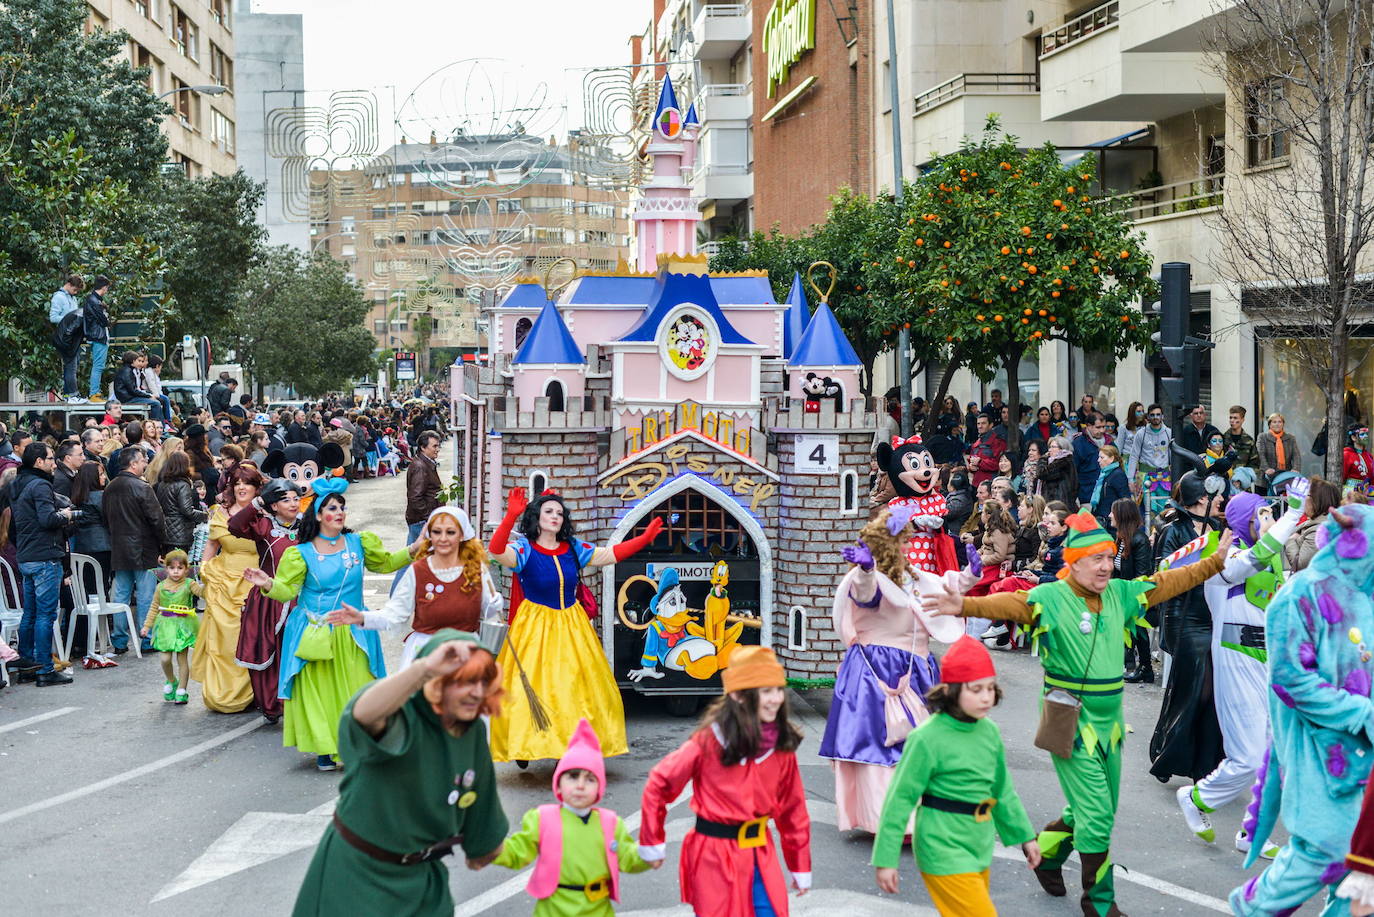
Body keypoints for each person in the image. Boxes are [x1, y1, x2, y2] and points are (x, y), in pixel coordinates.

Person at [923, 509, 1232, 917]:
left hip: (1111, 724)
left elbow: (1166, 582)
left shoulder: (1120, 594)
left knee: (1094, 806)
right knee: (1098, 812)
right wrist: (963, 604)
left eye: (1109, 558)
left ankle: (1048, 854)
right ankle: (1099, 902)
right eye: (1096, 559)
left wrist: (1214, 561)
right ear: (1073, 561)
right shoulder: (1050, 597)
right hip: (1069, 718)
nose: (1106, 567)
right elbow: (1011, 604)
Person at [289, 630, 508, 917]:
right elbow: (362, 715)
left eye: (482, 682)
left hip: (423, 880)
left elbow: (481, 799)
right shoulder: (402, 717)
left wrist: (486, 845)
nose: (477, 692)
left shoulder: (472, 730)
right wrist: (425, 668)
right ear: (437, 683)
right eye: (465, 682)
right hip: (357, 877)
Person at [1231, 504, 1374, 916]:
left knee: (1360, 868)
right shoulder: (1300, 595)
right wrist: (1361, 714)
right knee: (1324, 852)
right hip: (1317, 752)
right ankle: (1251, 909)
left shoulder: (1365, 597)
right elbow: (1291, 680)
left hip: (1363, 760)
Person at [243, 478, 419, 770]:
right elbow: (287, 591)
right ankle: (326, 748)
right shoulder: (300, 554)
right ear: (318, 515)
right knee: (321, 693)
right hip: (316, 634)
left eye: (342, 507)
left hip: (353, 634)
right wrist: (268, 583)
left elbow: (385, 564)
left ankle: (359, 744)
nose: (339, 512)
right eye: (332, 508)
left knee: (358, 690)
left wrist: (413, 549)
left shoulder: (359, 543)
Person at [1175, 481, 1308, 862]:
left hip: (1269, 664)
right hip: (1236, 660)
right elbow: (1254, 559)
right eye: (1263, 515)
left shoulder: (1271, 559)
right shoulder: (1222, 559)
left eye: (1271, 514)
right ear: (1245, 521)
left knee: (1274, 757)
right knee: (1248, 757)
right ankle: (1197, 796)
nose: (1270, 520)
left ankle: (1253, 832)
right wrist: (1295, 513)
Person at [486, 488, 662, 763]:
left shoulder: (573, 549)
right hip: (534, 627)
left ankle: (566, 744)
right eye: (549, 511)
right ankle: (526, 741)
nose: (555, 516)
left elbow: (609, 554)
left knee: (573, 686)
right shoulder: (524, 549)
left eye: (559, 512)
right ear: (536, 516)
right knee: (531, 685)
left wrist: (643, 539)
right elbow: (496, 551)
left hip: (572, 624)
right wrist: (510, 517)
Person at [822, 507, 967, 833]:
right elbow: (867, 596)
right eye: (900, 542)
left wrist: (974, 570)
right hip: (877, 671)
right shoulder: (867, 577)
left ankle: (916, 814)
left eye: (906, 541)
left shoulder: (914, 575)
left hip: (918, 670)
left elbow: (947, 586)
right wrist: (865, 569)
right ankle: (889, 818)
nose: (906, 547)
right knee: (881, 745)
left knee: (920, 745)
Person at [871, 636, 1039, 916]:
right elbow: (900, 799)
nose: (986, 697)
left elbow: (1002, 790)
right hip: (941, 846)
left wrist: (1026, 837)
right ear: (951, 691)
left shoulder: (990, 732)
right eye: (976, 689)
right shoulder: (927, 738)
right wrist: (886, 858)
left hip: (978, 842)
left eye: (990, 688)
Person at [638, 647, 812, 915]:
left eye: (778, 689)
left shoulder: (781, 745)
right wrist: (653, 839)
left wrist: (799, 864)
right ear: (739, 695)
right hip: (714, 857)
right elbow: (660, 782)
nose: (776, 699)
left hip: (760, 854)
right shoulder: (708, 741)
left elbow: (793, 808)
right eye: (766, 691)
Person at [489, 718, 655, 915]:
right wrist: (488, 847)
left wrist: (648, 855)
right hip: (554, 908)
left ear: (599, 788)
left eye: (590, 779)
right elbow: (517, 852)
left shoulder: (611, 823)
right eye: (573, 776)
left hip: (598, 908)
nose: (581, 785)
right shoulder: (542, 819)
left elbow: (627, 858)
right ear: (558, 784)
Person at [1147, 468, 1229, 786]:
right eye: (1214, 496)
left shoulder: (1220, 529)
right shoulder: (1175, 531)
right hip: (1183, 618)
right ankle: (1168, 754)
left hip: (1212, 616)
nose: (1220, 500)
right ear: (1200, 500)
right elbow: (1163, 574)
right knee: (1188, 690)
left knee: (1209, 693)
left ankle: (1204, 764)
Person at [350, 506, 502, 669]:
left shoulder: (475, 570)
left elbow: (491, 612)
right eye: (437, 532)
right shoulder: (418, 571)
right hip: (426, 655)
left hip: (465, 656)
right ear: (429, 535)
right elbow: (395, 614)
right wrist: (362, 618)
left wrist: (495, 603)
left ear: (462, 535)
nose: (443, 538)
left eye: (450, 532)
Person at [227, 477, 303, 724]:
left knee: (299, 651)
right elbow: (235, 526)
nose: (293, 503)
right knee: (271, 653)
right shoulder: (264, 527)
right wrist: (256, 502)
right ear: (273, 506)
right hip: (269, 599)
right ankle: (273, 704)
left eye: (296, 498)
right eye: (285, 499)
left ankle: (297, 701)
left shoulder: (308, 526)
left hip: (301, 599)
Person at [190, 462, 264, 713]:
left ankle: (254, 692)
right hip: (223, 581)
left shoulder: (264, 514)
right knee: (223, 642)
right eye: (238, 483)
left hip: (255, 580)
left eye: (247, 483)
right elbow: (211, 547)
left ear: (256, 488)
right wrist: (205, 569)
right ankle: (220, 693)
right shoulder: (220, 512)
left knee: (251, 639)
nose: (242, 487)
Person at [8, 443, 76, 685]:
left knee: (31, 613)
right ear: (38, 462)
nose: (53, 463)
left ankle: (28, 665)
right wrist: (66, 515)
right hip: (44, 556)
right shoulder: (40, 485)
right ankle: (45, 669)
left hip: (26, 555)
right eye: (49, 459)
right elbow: (48, 519)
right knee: (46, 616)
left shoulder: (17, 484)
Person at [102, 447, 165, 655]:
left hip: (119, 547)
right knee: (146, 595)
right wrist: (162, 545)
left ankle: (119, 641)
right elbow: (157, 520)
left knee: (120, 595)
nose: (145, 464)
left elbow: (105, 519)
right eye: (142, 461)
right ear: (133, 464)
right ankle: (146, 640)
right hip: (143, 547)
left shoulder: (110, 488)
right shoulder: (141, 487)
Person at [138, 549, 203, 705]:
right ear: (166, 568)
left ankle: (182, 690)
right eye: (172, 568)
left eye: (180, 568)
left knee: (182, 660)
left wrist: (207, 583)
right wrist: (147, 626)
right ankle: (172, 680)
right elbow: (154, 606)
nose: (176, 572)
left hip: (183, 626)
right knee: (165, 658)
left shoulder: (189, 584)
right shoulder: (161, 586)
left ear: (186, 569)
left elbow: (203, 593)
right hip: (166, 626)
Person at [1111, 499, 1155, 684]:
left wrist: (1129, 596)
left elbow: (1142, 574)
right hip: (1123, 592)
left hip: (1136, 594)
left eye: (1113, 512)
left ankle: (1146, 668)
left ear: (1121, 516)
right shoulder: (1122, 539)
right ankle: (1130, 663)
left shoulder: (1139, 540)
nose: (1109, 516)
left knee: (1138, 626)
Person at [399, 431, 443, 588]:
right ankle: (397, 596)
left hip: (421, 520)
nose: (437, 449)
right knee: (411, 560)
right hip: (421, 521)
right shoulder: (420, 466)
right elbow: (415, 497)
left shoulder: (425, 463)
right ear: (423, 448)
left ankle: (398, 596)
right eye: (434, 446)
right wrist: (428, 518)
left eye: (438, 446)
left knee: (410, 559)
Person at [1126, 404, 1173, 520]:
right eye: (1152, 415)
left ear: (1163, 416)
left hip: (1165, 478)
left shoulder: (1169, 432)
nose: (1155, 417)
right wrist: (1130, 479)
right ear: (1148, 417)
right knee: (1149, 511)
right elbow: (1133, 456)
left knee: (1165, 510)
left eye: (1158, 414)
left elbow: (1173, 456)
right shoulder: (1141, 433)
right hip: (1146, 477)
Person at [1284, 477, 1341, 572]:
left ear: (1317, 500)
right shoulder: (1317, 522)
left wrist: (1290, 540)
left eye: (1305, 495)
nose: (1302, 498)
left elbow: (1300, 566)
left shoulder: (1319, 530)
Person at [155, 451, 206, 553]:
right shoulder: (183, 485)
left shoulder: (162, 484)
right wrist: (204, 516)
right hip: (180, 534)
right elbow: (187, 510)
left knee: (169, 566)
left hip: (165, 531)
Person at [50, 273, 85, 401]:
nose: (75, 293)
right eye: (75, 289)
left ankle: (67, 395)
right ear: (69, 284)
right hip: (64, 337)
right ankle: (73, 395)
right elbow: (53, 317)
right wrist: (69, 320)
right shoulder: (59, 297)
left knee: (72, 366)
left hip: (73, 337)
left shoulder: (72, 298)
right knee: (71, 367)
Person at [112, 351, 164, 421]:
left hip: (128, 397)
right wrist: (148, 396)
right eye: (138, 360)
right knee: (156, 403)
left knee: (157, 402)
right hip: (128, 399)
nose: (140, 363)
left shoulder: (127, 370)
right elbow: (133, 390)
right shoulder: (127, 372)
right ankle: (156, 423)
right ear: (133, 361)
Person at [82, 276, 110, 402]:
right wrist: (105, 316)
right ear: (104, 287)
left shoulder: (93, 299)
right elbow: (103, 320)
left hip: (97, 336)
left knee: (98, 365)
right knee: (98, 366)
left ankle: (95, 393)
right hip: (98, 336)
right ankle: (94, 393)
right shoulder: (94, 301)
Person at [1257, 412, 1300, 494]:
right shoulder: (1262, 437)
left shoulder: (1290, 438)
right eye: (1274, 422)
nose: (1277, 424)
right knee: (1265, 504)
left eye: (1280, 422)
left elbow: (1296, 455)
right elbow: (1260, 454)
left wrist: (1296, 469)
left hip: (1285, 477)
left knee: (1284, 504)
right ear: (1270, 424)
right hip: (1266, 478)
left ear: (1283, 424)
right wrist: (1266, 469)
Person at [1089, 445, 1130, 529]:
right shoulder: (1104, 474)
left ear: (1111, 459)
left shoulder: (1118, 475)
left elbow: (1125, 499)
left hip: (1110, 522)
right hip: (1102, 520)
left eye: (1102, 457)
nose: (1098, 460)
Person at [1073, 413, 1106, 506]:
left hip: (1106, 496)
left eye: (1104, 427)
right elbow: (1073, 472)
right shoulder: (1078, 444)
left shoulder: (1109, 441)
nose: (1102, 430)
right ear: (1089, 426)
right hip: (1086, 496)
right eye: (1098, 427)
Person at [966, 413, 1005, 487]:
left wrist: (980, 462)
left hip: (991, 485)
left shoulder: (998, 442)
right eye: (978, 424)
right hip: (976, 485)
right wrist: (970, 467)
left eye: (983, 423)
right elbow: (971, 461)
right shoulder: (976, 443)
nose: (980, 426)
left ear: (991, 425)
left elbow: (999, 464)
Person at [1040, 436, 1078, 508]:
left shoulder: (1063, 461)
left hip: (1059, 504)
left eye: (1053, 447)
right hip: (1057, 503)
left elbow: (1042, 473)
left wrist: (1043, 458)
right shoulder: (1057, 461)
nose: (1049, 450)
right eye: (1049, 447)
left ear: (1062, 448)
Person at [142, 353, 173, 428]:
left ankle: (166, 421)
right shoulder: (149, 372)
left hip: (153, 393)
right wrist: (157, 395)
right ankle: (167, 420)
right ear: (157, 366)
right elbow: (152, 385)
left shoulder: (153, 373)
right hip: (150, 393)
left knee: (164, 400)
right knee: (165, 399)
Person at [1345, 425, 1374, 495]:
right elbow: (1341, 478)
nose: (1366, 436)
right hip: (1351, 495)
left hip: (1368, 494)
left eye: (1366, 434)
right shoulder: (1346, 454)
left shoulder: (1369, 456)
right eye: (1362, 434)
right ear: (1353, 437)